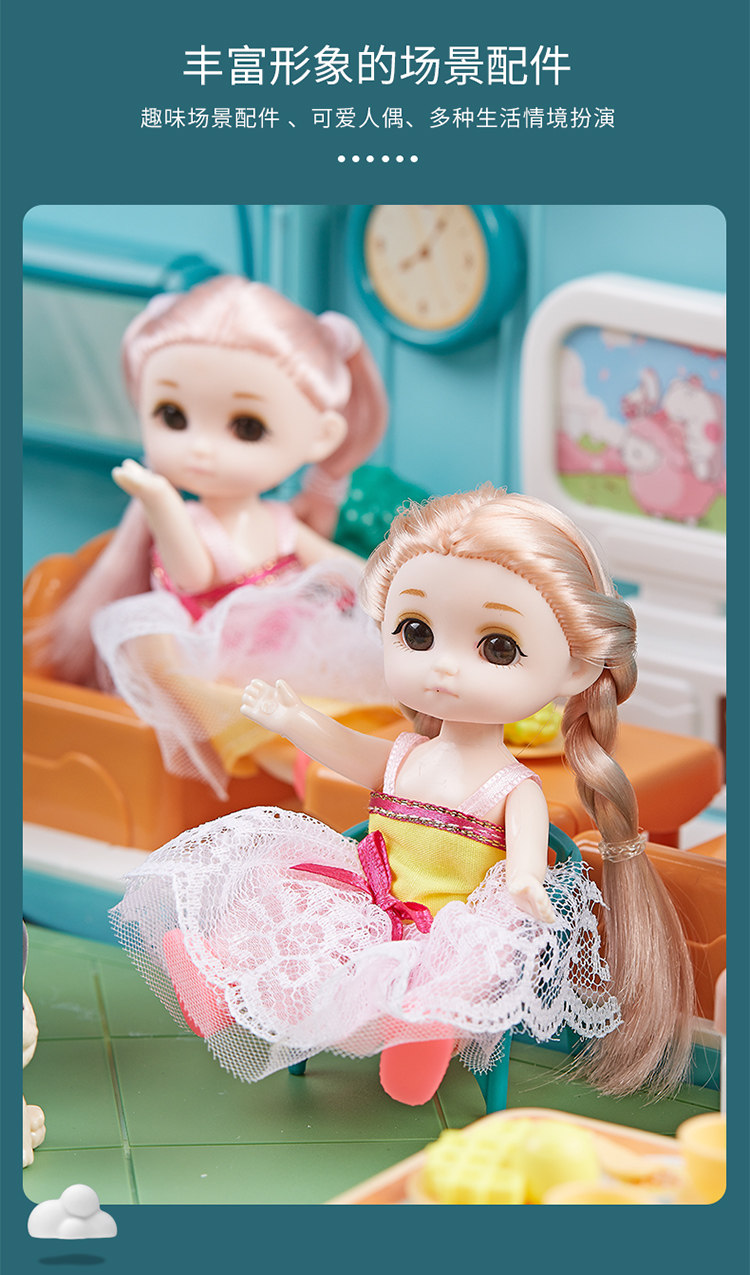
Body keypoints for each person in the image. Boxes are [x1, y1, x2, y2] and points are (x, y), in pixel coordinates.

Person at [111, 487, 694, 1103]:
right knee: (289, 903)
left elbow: (525, 867)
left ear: (575, 668)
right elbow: (345, 750)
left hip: (449, 919)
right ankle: (216, 975)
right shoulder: (406, 756)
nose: (444, 667)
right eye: (417, 633)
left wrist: (526, 884)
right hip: (368, 895)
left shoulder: (512, 786)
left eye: (497, 647)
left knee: (454, 963)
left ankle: (424, 1031)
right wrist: (294, 720)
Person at [35, 276, 391, 794]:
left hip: (287, 644)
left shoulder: (280, 521)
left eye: (246, 426)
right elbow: (194, 575)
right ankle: (312, 778)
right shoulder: (186, 519)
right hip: (209, 658)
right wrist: (160, 503)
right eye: (172, 416)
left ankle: (343, 768)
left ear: (322, 436)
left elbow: (341, 565)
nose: (200, 448)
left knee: (345, 701)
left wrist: (392, 587)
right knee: (259, 719)